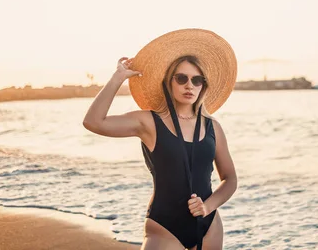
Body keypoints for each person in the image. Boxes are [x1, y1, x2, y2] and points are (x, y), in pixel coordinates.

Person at [83, 29, 238, 250]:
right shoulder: (148, 122)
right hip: (165, 227)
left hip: (209, 224)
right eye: (181, 78)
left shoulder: (213, 127)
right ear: (169, 82)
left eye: (197, 80)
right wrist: (118, 78)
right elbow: (94, 122)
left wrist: (207, 206)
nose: (189, 85)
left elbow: (230, 179)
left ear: (203, 85)